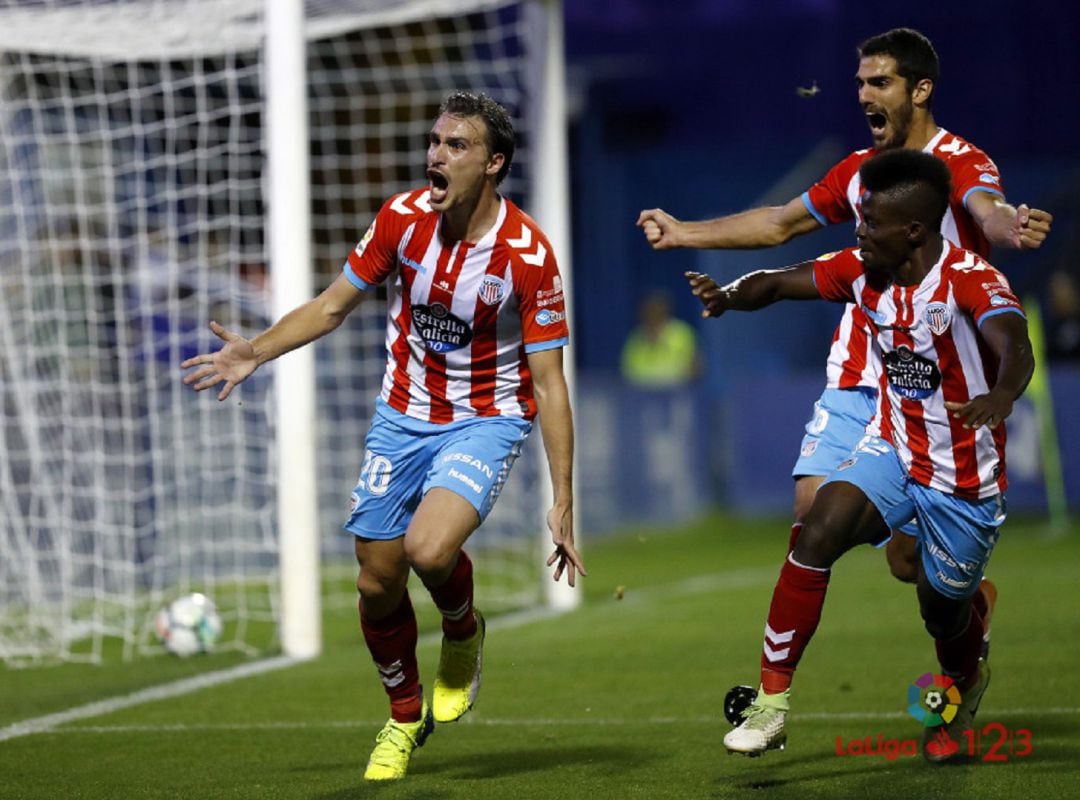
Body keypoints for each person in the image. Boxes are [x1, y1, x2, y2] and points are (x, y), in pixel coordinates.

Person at [181, 91, 586, 781]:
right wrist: (257, 350)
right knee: (375, 581)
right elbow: (333, 305)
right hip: (401, 416)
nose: (436, 154)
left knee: (429, 549)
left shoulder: (528, 255)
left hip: (485, 418)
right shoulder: (401, 220)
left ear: (493, 164)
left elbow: (548, 382)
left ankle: (462, 630)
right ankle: (403, 717)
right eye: (435, 141)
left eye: (455, 145)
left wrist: (563, 496)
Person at [637, 28, 1051, 594]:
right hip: (863, 367)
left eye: (880, 82)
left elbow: (988, 207)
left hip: (934, 376)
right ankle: (775, 682)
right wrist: (685, 232)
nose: (863, 95)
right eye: (859, 82)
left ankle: (965, 612)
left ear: (921, 89)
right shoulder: (860, 172)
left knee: (910, 565)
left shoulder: (960, 161)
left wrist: (1009, 223)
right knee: (810, 511)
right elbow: (782, 222)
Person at [687, 149, 1034, 761]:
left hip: (963, 479)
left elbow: (1014, 343)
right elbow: (778, 282)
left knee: (940, 609)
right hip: (893, 447)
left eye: (872, 222)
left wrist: (1001, 394)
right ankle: (771, 705)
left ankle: (963, 683)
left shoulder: (970, 280)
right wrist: (729, 297)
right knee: (817, 528)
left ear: (915, 232)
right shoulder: (862, 269)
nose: (859, 231)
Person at [620, 290, 700, 387]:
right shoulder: (635, 338)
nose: (653, 315)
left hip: (677, 393)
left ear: (665, 311)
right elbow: (627, 372)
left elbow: (695, 368)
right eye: (649, 312)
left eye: (656, 310)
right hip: (643, 395)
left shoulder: (681, 333)